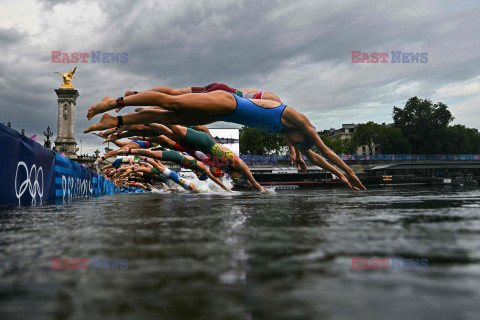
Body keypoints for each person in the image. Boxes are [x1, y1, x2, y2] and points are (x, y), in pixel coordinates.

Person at [85, 90, 365, 191]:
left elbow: (317, 156)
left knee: (170, 117)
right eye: (299, 144)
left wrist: (339, 177)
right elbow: (325, 149)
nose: (294, 145)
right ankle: (115, 103)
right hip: (228, 101)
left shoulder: (293, 137)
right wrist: (350, 172)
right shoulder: (298, 120)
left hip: (224, 115)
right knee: (171, 103)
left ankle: (117, 122)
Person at [116, 146, 231, 192]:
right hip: (176, 157)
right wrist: (225, 188)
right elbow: (213, 178)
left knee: (157, 164)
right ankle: (132, 152)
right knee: (156, 161)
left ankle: (138, 156)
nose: (197, 175)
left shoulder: (197, 169)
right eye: (198, 175)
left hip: (176, 161)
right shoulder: (201, 166)